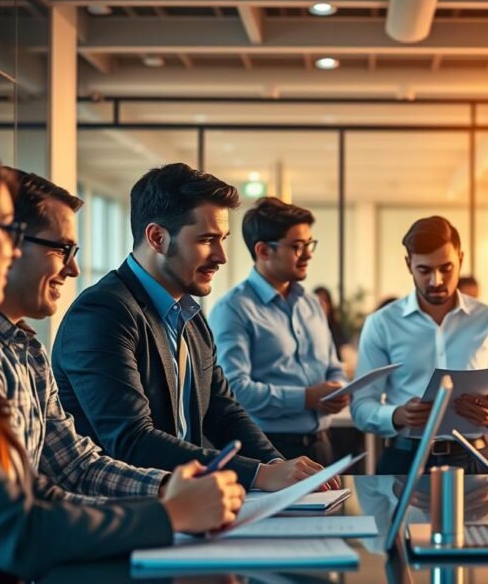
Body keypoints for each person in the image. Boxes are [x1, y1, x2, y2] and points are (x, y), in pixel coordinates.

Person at [0, 137, 241, 581]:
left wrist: (169, 496)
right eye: (4, 230)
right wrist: (166, 516)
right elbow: (15, 529)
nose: (12, 250)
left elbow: (53, 482)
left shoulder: (17, 348)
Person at [52, 163, 336, 492]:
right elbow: (131, 440)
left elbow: (223, 411)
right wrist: (258, 474)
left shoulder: (190, 314)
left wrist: (277, 467)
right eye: (207, 240)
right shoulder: (103, 312)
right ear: (157, 237)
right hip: (122, 511)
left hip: (184, 503)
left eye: (223, 240)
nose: (221, 256)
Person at [0, 169, 170, 503]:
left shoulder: (26, 348)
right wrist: (166, 511)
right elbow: (10, 509)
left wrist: (167, 489)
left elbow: (74, 467)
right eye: (62, 249)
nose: (73, 269)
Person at [351, 216, 488, 474]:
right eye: (425, 270)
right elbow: (361, 406)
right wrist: (397, 415)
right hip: (403, 460)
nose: (436, 280)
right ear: (409, 264)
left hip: (474, 459)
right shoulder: (382, 324)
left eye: (446, 268)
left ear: (461, 259)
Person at [209, 197, 349, 464]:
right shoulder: (234, 309)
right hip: (267, 448)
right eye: (297, 246)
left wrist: (339, 388)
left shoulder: (312, 304)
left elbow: (333, 366)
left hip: (322, 444)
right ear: (263, 251)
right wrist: (306, 398)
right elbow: (236, 390)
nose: (308, 254)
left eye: (309, 244)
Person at [313, 285, 348, 360]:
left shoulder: (335, 329)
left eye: (325, 300)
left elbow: (345, 351)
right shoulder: (304, 328)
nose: (322, 305)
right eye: (318, 301)